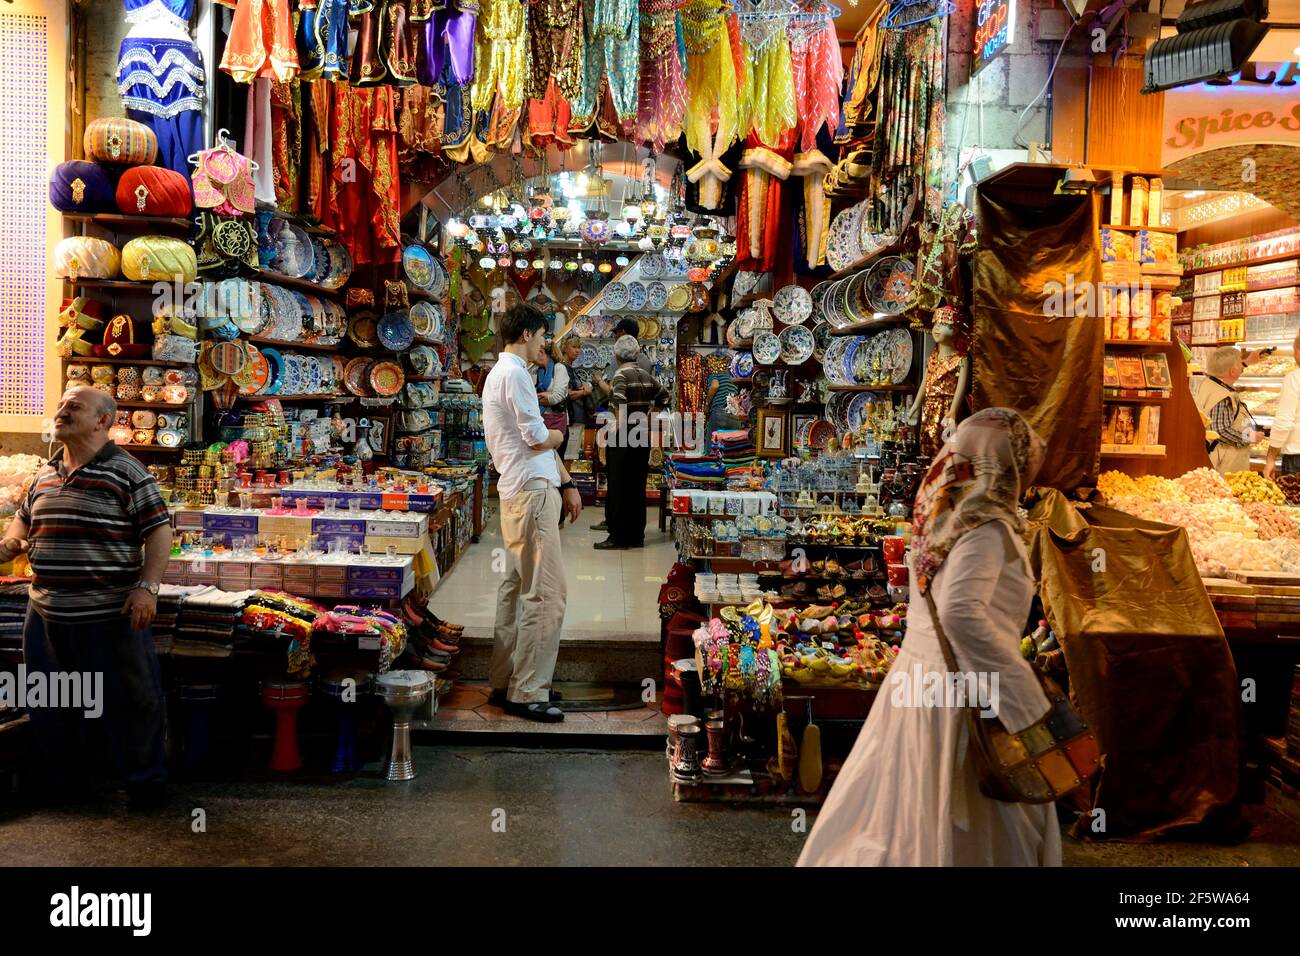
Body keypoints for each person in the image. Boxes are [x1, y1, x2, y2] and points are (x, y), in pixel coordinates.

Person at [798, 408, 1061, 866]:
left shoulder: (944, 521)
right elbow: (962, 616)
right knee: (966, 818)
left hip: (922, 685)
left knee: (905, 813)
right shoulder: (986, 528)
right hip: (963, 697)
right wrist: (1023, 699)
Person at [0, 386, 171, 808]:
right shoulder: (44, 475)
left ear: (103, 421)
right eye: (60, 406)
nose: (61, 412)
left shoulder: (128, 472)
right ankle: (68, 787)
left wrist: (147, 588)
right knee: (53, 701)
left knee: (130, 701)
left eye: (73, 407)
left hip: (109, 612)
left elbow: (159, 530)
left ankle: (143, 786)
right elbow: (21, 521)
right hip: (46, 612)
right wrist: (11, 542)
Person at [482, 304, 583, 723]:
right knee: (546, 594)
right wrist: (559, 434)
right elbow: (538, 435)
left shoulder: (500, 374)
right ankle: (527, 691)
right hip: (531, 493)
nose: (545, 343)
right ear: (526, 334)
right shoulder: (515, 374)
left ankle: (507, 679)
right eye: (542, 334)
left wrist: (566, 481)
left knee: (517, 588)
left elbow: (531, 443)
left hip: (523, 489)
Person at [597, 335, 670, 551]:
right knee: (637, 487)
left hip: (622, 437)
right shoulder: (645, 375)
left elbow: (618, 402)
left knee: (619, 487)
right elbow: (665, 397)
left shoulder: (620, 375)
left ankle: (618, 537)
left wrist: (615, 430)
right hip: (641, 436)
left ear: (617, 355)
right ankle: (636, 535)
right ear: (637, 354)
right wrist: (649, 414)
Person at [592, 318, 653, 533]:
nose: (615, 336)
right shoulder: (643, 363)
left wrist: (599, 382)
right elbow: (659, 396)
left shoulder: (626, 369)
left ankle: (619, 529)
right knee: (633, 481)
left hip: (626, 429)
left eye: (617, 333)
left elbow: (617, 397)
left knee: (620, 479)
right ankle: (628, 528)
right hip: (638, 427)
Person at [1192, 345, 1261, 474]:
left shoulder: (1210, 383)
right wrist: (1248, 437)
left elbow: (1230, 371)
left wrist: (1247, 362)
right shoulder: (1221, 396)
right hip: (1224, 463)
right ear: (1232, 371)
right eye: (1240, 363)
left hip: (1217, 458)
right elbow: (1220, 430)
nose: (1242, 366)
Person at [1264, 333, 1300, 479]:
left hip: (1297, 456)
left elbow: (1284, 422)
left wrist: (1271, 458)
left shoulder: (1294, 378)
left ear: (1298, 352)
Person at [556, 334, 593, 469]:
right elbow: (567, 394)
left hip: (576, 418)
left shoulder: (570, 368)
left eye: (579, 347)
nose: (578, 351)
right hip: (572, 418)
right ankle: (564, 488)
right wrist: (585, 391)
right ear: (565, 348)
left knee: (570, 457)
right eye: (574, 347)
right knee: (568, 457)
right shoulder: (563, 367)